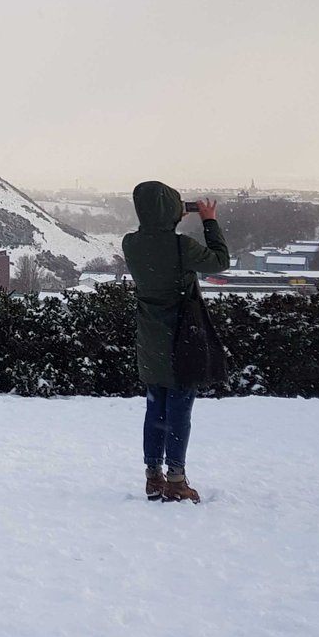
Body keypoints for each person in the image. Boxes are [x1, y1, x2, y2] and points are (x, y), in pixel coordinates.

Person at [121, 180, 230, 503]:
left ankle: (153, 476)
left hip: (150, 337)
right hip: (182, 337)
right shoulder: (181, 247)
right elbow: (219, 261)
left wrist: (167, 218)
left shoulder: (131, 243)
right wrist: (209, 220)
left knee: (155, 407)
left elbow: (156, 242)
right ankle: (176, 479)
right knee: (179, 408)